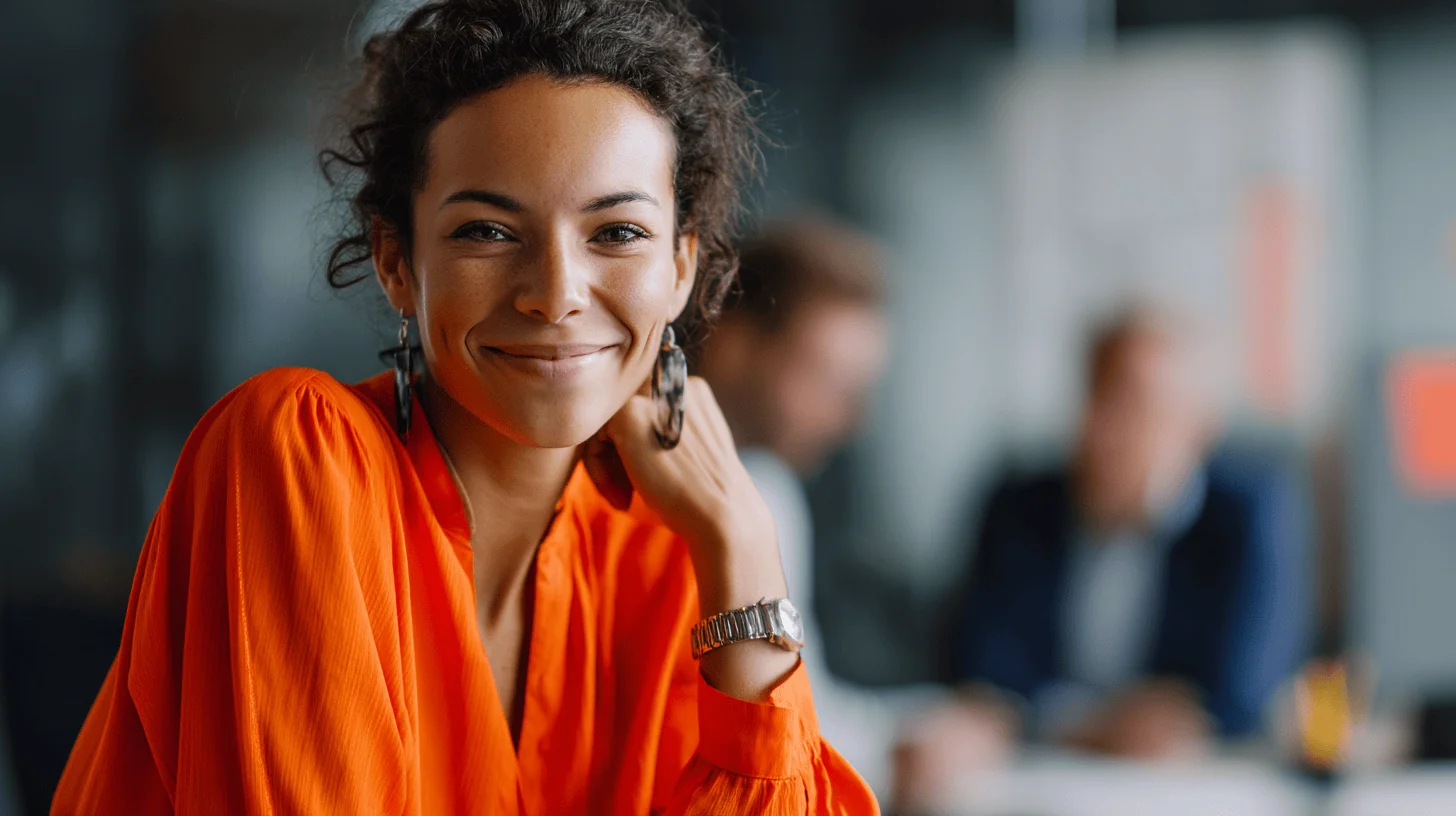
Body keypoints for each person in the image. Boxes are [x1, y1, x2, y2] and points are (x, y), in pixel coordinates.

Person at [50, 1, 877, 813]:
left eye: (617, 233)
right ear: (396, 263)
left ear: (682, 266)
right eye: (487, 231)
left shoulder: (669, 547)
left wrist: (740, 543)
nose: (555, 296)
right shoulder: (295, 460)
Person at [898, 310, 1309, 807]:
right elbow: (978, 665)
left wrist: (1040, 719)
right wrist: (1089, 730)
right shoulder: (1017, 506)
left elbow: (1240, 692)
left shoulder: (1251, 515)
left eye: (1137, 405)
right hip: (1031, 785)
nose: (1104, 428)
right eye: (1097, 395)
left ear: (1198, 426)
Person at [696, 217, 934, 798]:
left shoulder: (769, 485)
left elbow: (806, 696)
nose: (848, 420)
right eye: (824, 377)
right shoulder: (664, 497)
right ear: (735, 343)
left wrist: (910, 732)